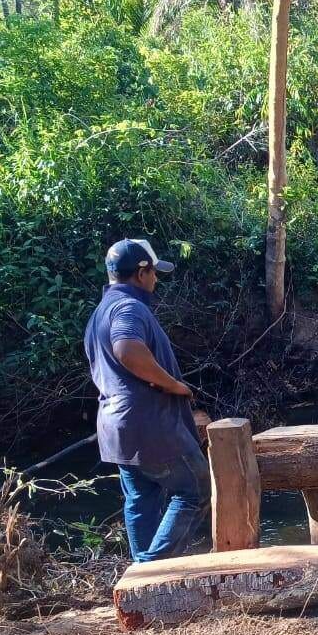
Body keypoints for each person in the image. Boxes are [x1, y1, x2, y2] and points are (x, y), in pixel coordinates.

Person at [84, 238, 209, 563]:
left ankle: (140, 580)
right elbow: (127, 349)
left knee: (141, 499)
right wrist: (172, 386)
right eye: (154, 273)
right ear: (141, 273)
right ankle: (151, 570)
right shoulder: (128, 307)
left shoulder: (99, 313)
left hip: (117, 431)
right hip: (149, 426)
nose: (156, 280)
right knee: (196, 489)